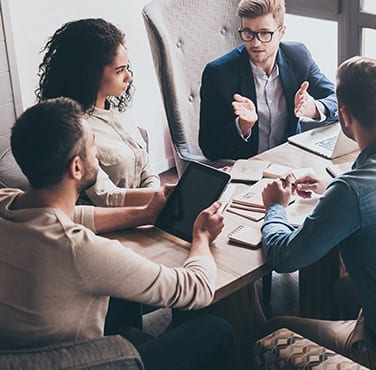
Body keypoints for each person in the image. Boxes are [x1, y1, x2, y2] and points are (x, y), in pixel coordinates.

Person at [0, 97, 233, 370]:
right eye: (92, 146)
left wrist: (146, 213)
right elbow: (196, 289)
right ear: (76, 167)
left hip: (17, 350)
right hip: (78, 361)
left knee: (120, 296)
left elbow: (70, 216)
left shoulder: (8, 201)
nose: (96, 152)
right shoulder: (78, 249)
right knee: (216, 330)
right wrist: (202, 236)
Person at [259, 56, 376, 369]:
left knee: (272, 328)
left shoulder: (351, 192)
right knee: (342, 290)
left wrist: (276, 207)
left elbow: (283, 257)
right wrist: (333, 183)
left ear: (344, 117)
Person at [36, 18, 162, 207]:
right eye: (119, 70)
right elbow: (105, 196)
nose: (129, 77)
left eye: (127, 67)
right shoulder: (76, 131)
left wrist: (158, 198)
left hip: (148, 209)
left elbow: (146, 167)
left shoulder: (118, 111)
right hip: (113, 221)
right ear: (90, 75)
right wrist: (162, 196)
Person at [199, 0, 337, 161]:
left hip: (289, 163)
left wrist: (313, 108)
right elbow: (209, 147)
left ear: (282, 32)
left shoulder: (298, 56)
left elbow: (336, 99)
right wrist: (242, 125)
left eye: (265, 33)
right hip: (244, 167)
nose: (255, 42)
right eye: (248, 32)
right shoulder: (218, 73)